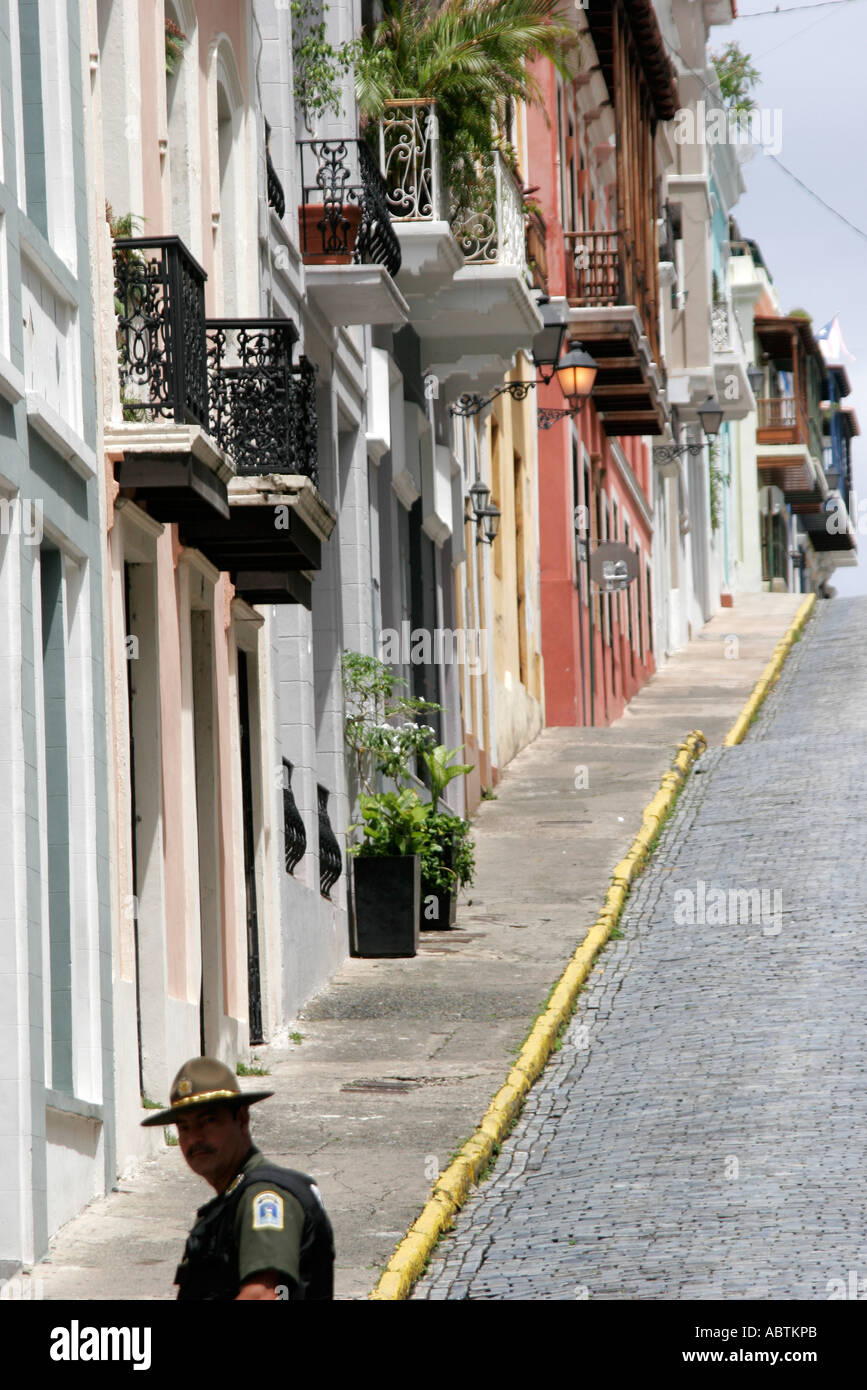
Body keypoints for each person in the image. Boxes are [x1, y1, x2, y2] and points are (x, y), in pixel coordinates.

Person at [141, 1056, 334, 1300]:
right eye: (184, 1127)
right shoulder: (232, 1200)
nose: (194, 1139)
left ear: (242, 1119)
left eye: (208, 1121)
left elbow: (262, 1294)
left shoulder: (264, 1197)